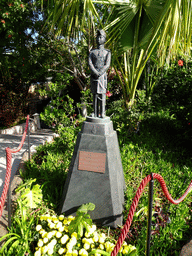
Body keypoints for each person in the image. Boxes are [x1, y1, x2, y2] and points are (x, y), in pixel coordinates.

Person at [89, 30, 111, 118]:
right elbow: (90, 63)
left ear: (104, 39)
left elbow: (107, 64)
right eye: (97, 37)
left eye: (101, 37)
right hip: (94, 76)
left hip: (102, 77)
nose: (99, 39)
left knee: (102, 94)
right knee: (95, 94)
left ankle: (102, 113)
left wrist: (100, 72)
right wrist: (95, 72)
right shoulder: (92, 52)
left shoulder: (107, 52)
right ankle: (95, 112)